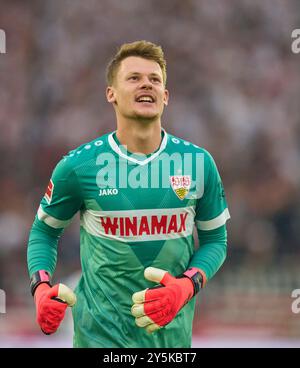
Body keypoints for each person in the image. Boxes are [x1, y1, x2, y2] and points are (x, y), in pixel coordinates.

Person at [27, 40, 230, 348]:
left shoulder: (198, 163)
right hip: (98, 340)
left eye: (155, 79)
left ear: (165, 96)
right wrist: (40, 288)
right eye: (134, 78)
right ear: (111, 94)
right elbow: (44, 232)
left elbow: (216, 241)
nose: (146, 84)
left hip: (171, 345)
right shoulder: (78, 166)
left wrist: (187, 286)